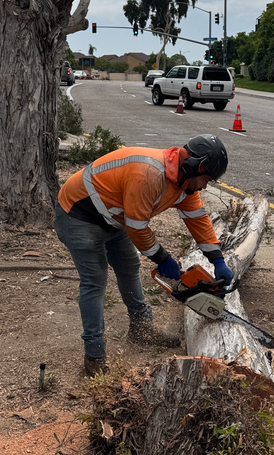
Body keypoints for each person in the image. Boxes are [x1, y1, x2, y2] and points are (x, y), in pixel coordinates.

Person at [55, 134, 235, 376]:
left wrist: (218, 260)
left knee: (128, 267)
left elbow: (198, 220)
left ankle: (141, 329)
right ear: (194, 166)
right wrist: (163, 259)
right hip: (79, 213)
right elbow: (137, 227)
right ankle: (94, 355)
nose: (205, 186)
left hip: (112, 217)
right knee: (95, 281)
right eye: (206, 179)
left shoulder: (185, 184)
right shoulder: (149, 175)